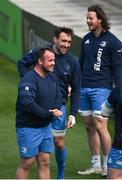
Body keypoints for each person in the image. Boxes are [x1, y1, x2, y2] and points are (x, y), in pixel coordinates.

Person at [17, 27, 81, 179]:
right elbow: (22, 63)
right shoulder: (40, 53)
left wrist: (72, 113)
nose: (66, 44)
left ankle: (60, 176)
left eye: (69, 42)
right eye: (64, 40)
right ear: (55, 40)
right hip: (35, 115)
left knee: (51, 152)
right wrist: (32, 83)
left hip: (57, 106)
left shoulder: (72, 62)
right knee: (28, 162)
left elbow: (77, 88)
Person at [78, 4, 122, 176]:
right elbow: (81, 65)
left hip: (101, 89)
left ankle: (108, 166)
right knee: (89, 126)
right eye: (87, 18)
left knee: (100, 126)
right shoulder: (86, 39)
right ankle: (95, 164)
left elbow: (117, 70)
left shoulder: (113, 42)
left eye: (91, 18)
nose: (88, 21)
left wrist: (120, 92)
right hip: (84, 88)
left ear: (100, 20)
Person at [15, 47, 62, 179]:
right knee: (27, 163)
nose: (53, 63)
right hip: (28, 127)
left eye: (54, 60)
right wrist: (48, 114)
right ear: (40, 61)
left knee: (45, 161)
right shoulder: (28, 80)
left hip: (45, 127)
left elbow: (58, 96)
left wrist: (57, 108)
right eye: (50, 60)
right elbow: (28, 104)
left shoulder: (52, 78)